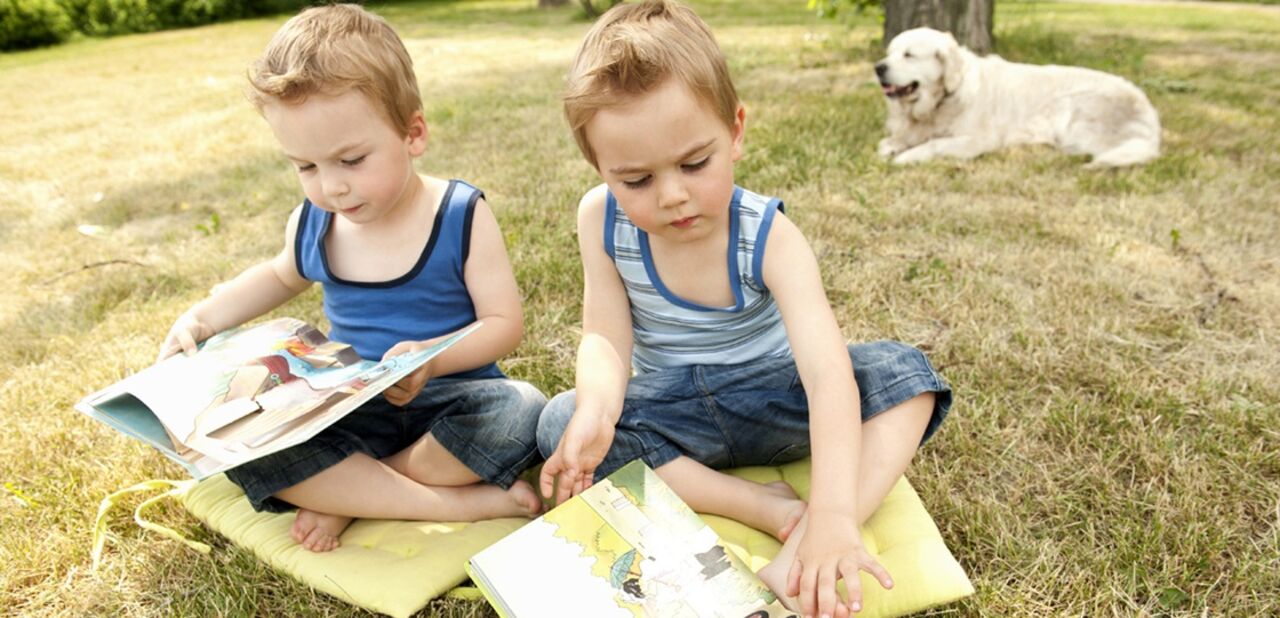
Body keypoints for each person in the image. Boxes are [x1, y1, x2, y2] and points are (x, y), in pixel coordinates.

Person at [535, 2, 952, 616]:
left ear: (735, 131)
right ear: (600, 169)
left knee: (905, 374)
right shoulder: (599, 218)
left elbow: (826, 373)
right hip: (676, 415)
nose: (672, 194)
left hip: (777, 401)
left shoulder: (768, 235)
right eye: (636, 180)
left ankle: (816, 533)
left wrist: (837, 514)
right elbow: (604, 334)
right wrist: (598, 409)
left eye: (694, 164)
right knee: (560, 422)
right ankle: (768, 508)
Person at [157, 4, 546, 552]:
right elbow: (276, 277)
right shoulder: (316, 223)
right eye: (307, 167)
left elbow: (504, 323)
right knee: (241, 442)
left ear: (412, 133)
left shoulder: (458, 213)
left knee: (524, 412)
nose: (331, 187)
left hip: (455, 398)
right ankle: (444, 501)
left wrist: (432, 357)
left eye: (351, 159)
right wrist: (202, 317)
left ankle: (353, 492)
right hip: (351, 405)